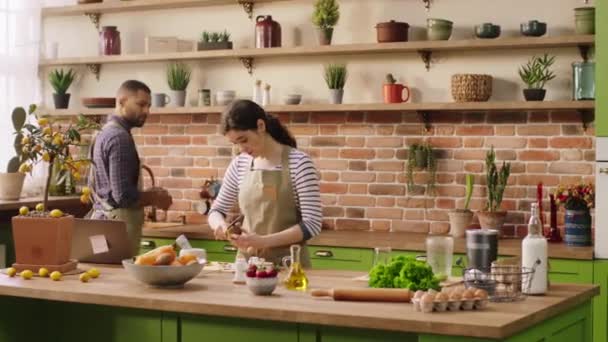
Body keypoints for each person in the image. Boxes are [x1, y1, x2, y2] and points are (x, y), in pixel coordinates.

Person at [208, 100, 322, 267]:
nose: (241, 148)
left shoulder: (299, 163)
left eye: (244, 140)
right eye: (236, 143)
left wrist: (262, 241)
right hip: (247, 267)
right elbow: (216, 210)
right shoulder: (239, 164)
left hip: (290, 267)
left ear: (261, 125)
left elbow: (312, 224)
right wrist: (220, 225)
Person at [88, 80, 172, 255]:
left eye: (148, 106)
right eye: (141, 104)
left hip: (103, 221)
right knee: (122, 279)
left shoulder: (103, 133)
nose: (147, 111)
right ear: (121, 101)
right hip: (118, 226)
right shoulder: (119, 138)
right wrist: (155, 197)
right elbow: (123, 196)